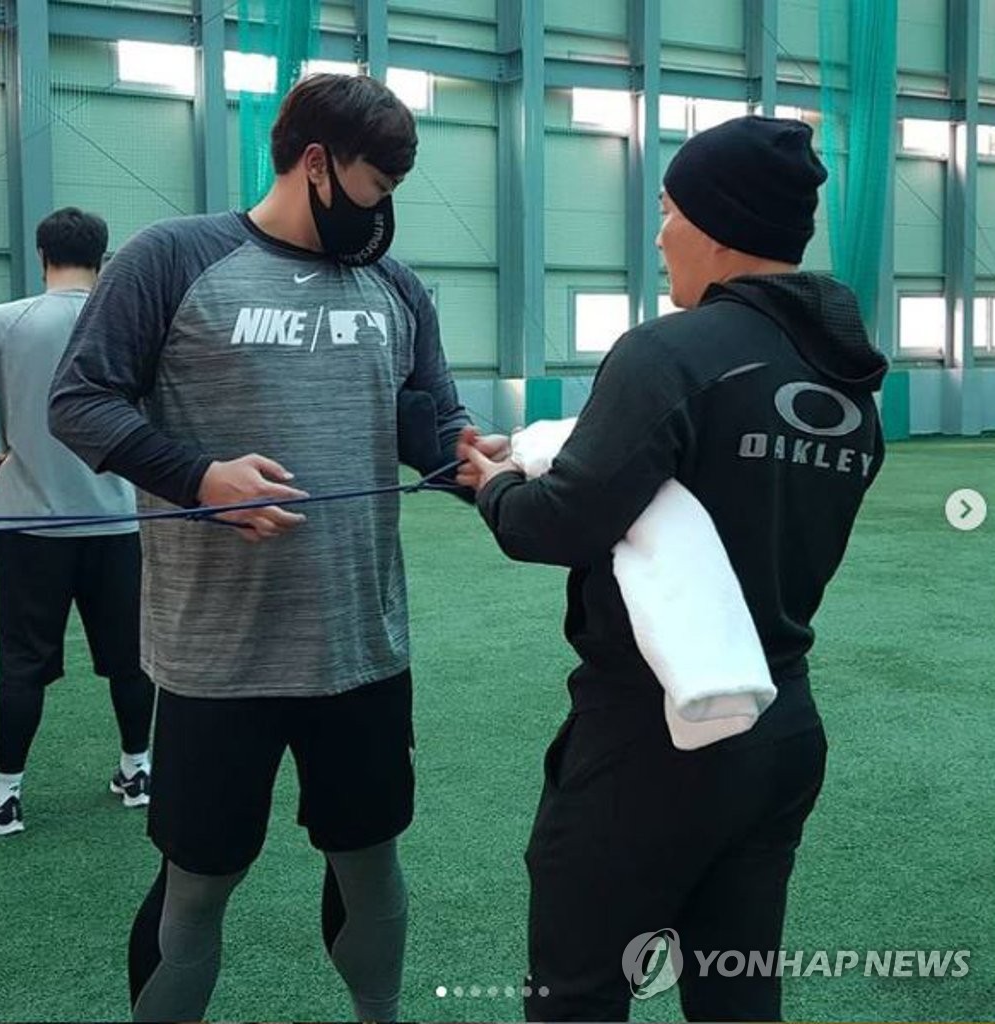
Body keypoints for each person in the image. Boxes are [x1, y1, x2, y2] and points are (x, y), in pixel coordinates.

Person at [49, 74, 471, 1023]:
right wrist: (199, 480)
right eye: (376, 181)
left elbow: (429, 420)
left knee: (369, 863)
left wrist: (469, 455)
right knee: (198, 883)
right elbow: (79, 401)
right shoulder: (173, 258)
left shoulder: (393, 284)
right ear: (315, 162)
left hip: (361, 650)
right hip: (216, 661)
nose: (385, 207)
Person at [458, 116, 888, 1022]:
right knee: (736, 997)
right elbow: (703, 480)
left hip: (653, 732)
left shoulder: (668, 350)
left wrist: (493, 482)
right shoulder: (844, 382)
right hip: (779, 725)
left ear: (715, 222)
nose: (658, 236)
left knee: (577, 991)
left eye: (667, 209)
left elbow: (559, 523)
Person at [0, 207, 155, 837]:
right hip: (118, 525)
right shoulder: (135, 322)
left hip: (28, 529)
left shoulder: (1, 322)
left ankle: (5, 799)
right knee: (132, 660)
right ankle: (138, 773)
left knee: (22, 664)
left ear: (39, 255)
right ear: (104, 259)